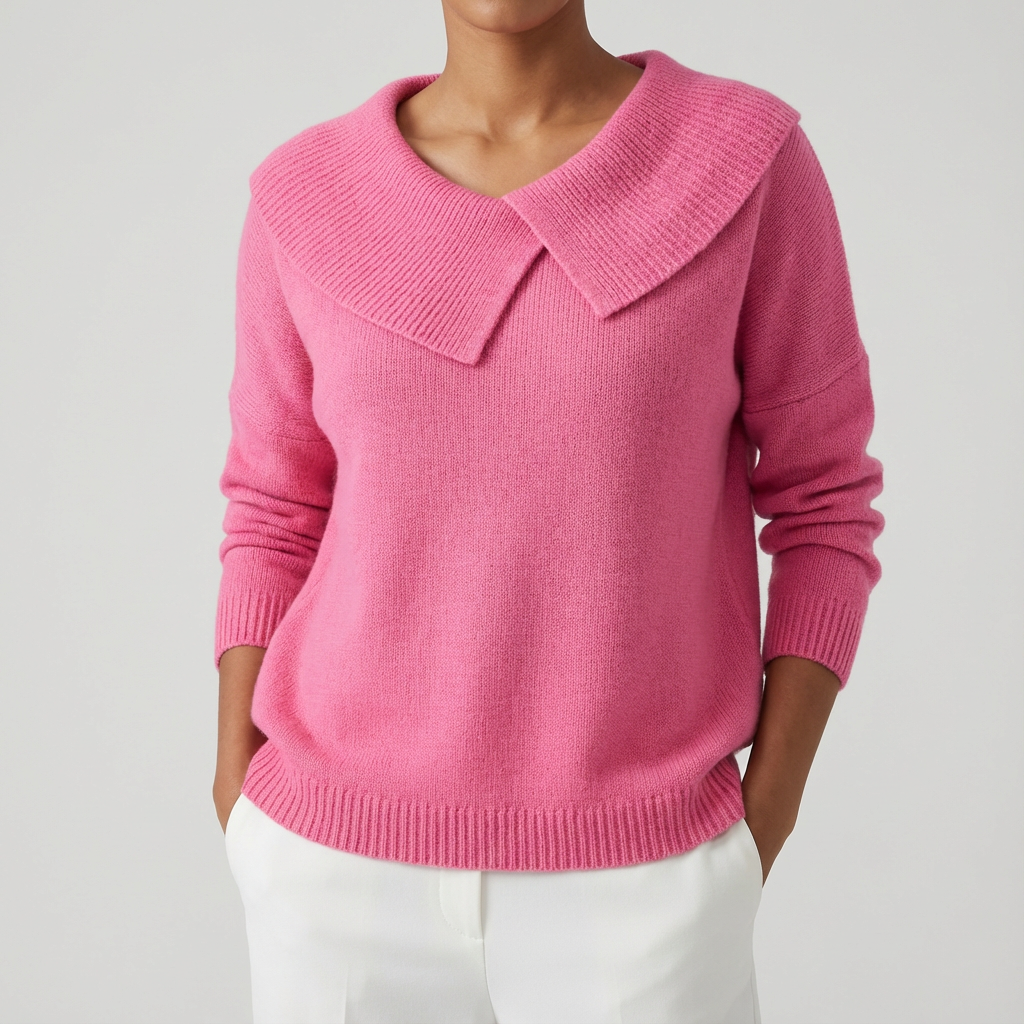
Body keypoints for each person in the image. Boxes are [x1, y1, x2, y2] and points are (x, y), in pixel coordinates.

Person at [212, 1, 884, 1021]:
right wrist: (237, 794)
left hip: (642, 888)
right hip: (331, 873)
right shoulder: (306, 196)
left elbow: (825, 502)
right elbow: (274, 510)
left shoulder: (743, 165)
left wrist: (764, 819)